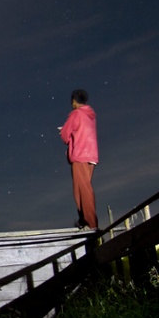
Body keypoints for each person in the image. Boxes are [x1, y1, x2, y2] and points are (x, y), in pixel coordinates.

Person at [59, 89, 99, 230]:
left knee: (81, 190)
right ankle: (85, 220)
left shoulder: (76, 114)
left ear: (74, 101)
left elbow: (65, 135)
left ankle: (90, 222)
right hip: (91, 155)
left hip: (80, 155)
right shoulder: (90, 116)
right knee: (84, 187)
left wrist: (65, 132)